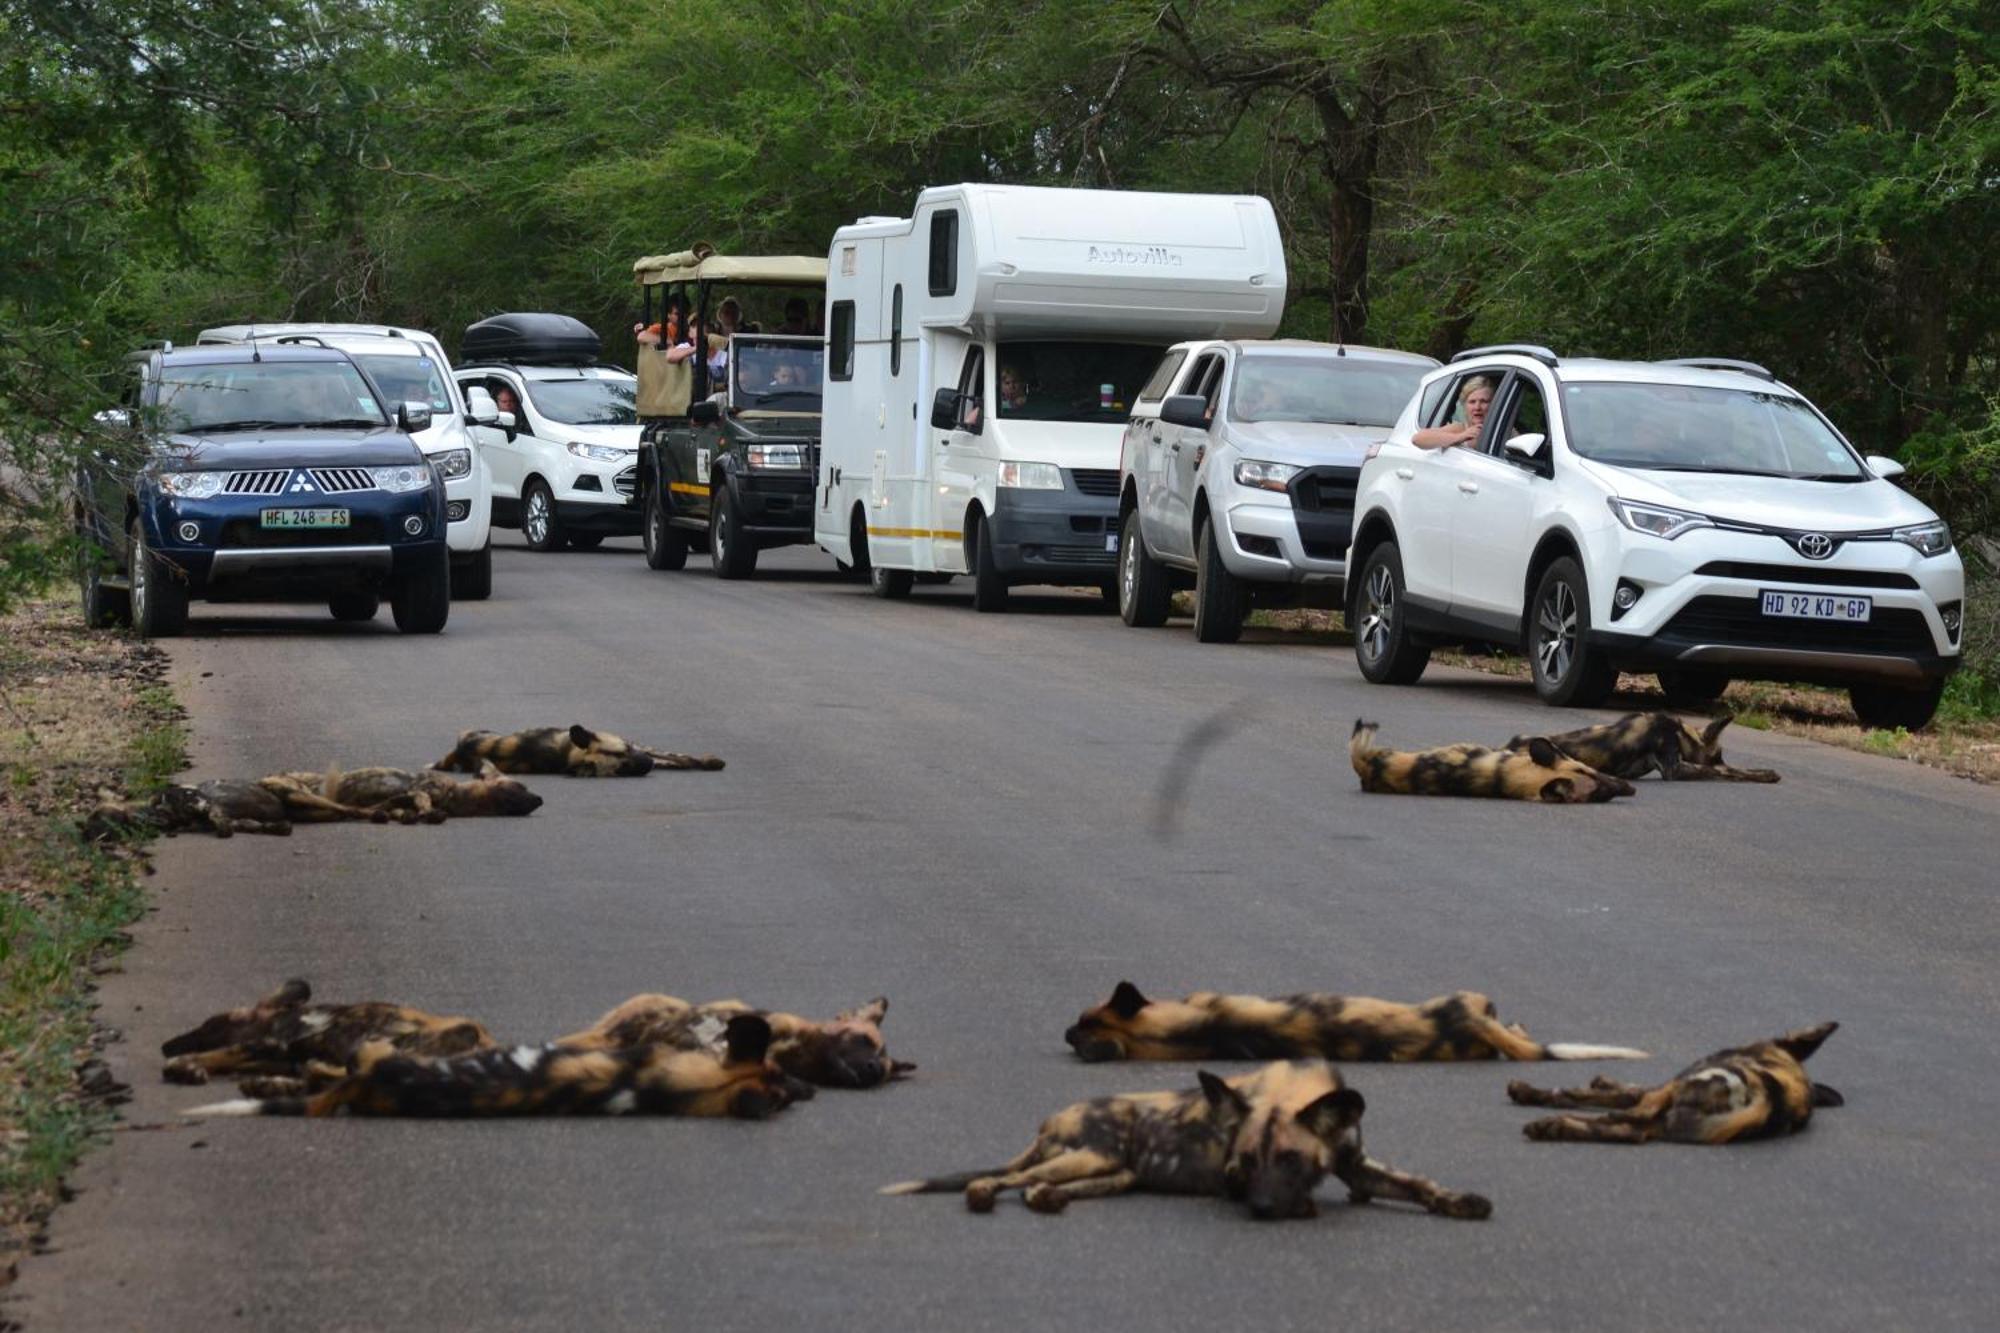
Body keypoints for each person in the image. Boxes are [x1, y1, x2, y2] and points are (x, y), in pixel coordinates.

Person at [1413, 375, 1496, 449]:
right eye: (1472, 402)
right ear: (1464, 405)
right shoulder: (1460, 429)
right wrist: (1460, 437)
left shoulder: (1503, 431)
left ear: (1495, 403)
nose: (1477, 407)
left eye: (1484, 401)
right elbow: (1418, 439)